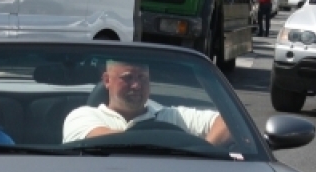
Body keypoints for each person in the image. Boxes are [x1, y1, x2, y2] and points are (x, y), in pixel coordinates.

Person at [63, 59, 232, 145]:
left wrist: (205, 149)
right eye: (127, 78)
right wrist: (178, 144)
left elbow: (229, 120)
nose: (136, 85)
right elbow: (111, 143)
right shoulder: (83, 116)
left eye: (142, 78)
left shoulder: (171, 116)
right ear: (107, 80)